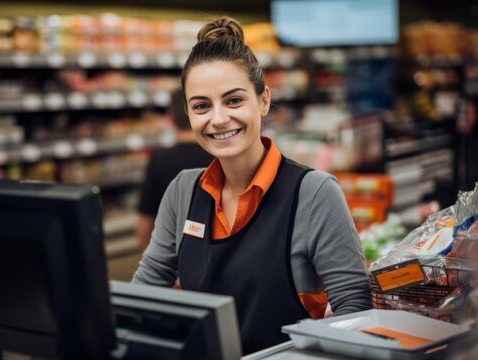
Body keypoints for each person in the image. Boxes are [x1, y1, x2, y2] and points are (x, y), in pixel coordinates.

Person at [132, 16, 372, 355]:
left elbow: (355, 312)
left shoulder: (314, 193)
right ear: (188, 114)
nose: (217, 119)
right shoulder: (182, 191)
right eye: (201, 106)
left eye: (233, 100)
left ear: (263, 100)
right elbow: (143, 295)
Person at [136, 88, 213, 250]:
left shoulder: (159, 162)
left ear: (171, 117)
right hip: (217, 254)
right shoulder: (221, 157)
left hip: (174, 257)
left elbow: (144, 228)